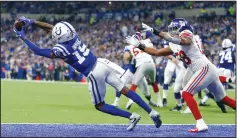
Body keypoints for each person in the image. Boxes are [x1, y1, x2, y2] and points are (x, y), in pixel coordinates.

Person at [13, 16, 162, 131]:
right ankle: (152, 112)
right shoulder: (73, 35)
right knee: (125, 90)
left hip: (93, 73)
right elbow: (52, 28)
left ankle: (132, 116)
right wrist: (32, 22)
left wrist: (23, 37)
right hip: (101, 63)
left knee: (100, 105)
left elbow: (38, 51)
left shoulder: (62, 49)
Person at [125, 18, 236, 132]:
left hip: (204, 68)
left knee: (186, 93)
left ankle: (201, 123)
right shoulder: (174, 44)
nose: (172, 31)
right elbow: (156, 52)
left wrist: (156, 32)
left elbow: (183, 41)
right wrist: (139, 45)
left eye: (174, 29)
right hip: (206, 70)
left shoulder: (186, 34)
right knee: (224, 99)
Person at [123, 32, 162, 108]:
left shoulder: (129, 47)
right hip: (151, 64)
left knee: (134, 84)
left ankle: (131, 100)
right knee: (153, 83)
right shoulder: (147, 41)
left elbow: (126, 56)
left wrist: (129, 56)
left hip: (142, 65)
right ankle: (159, 101)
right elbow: (151, 48)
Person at [161, 40, 186, 111]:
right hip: (171, 62)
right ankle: (164, 98)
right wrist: (172, 58)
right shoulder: (168, 40)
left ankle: (182, 100)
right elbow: (165, 53)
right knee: (166, 81)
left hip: (180, 62)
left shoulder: (182, 39)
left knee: (181, 82)